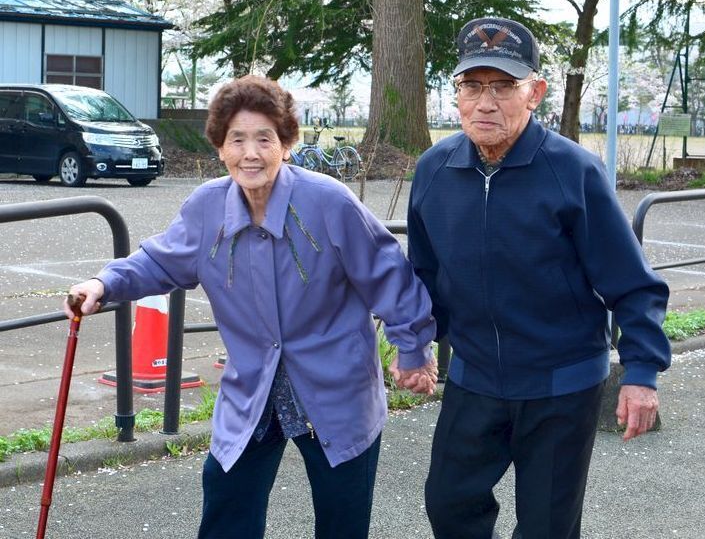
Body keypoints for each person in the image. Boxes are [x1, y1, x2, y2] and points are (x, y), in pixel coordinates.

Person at [64, 75, 438, 539]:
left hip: (337, 389)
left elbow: (389, 275)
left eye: (265, 138)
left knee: (342, 521)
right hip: (253, 388)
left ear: (286, 144)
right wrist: (104, 283)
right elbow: (160, 260)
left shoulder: (327, 202)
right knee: (227, 507)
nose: (251, 153)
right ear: (220, 148)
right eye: (237, 139)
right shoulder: (207, 207)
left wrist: (412, 349)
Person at [405, 17, 671, 539]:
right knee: (449, 505)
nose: (486, 103)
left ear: (535, 92)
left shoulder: (572, 171)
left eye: (504, 86)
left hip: (561, 383)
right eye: (472, 86)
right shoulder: (435, 169)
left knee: (547, 526)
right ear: (456, 94)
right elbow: (424, 274)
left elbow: (632, 282)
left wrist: (641, 372)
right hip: (475, 379)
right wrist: (415, 343)